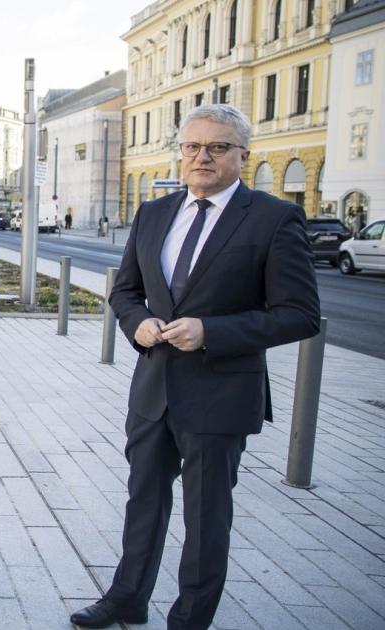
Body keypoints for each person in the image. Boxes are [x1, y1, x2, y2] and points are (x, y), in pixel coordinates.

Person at [69, 104, 319, 629]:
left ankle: (189, 619)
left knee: (206, 518)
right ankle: (127, 598)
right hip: (154, 388)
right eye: (191, 146)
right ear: (180, 152)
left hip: (220, 392)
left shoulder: (274, 218)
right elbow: (128, 291)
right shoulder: (154, 213)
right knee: (143, 501)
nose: (202, 157)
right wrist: (135, 322)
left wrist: (213, 332)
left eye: (218, 147)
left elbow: (299, 315)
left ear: (243, 155)